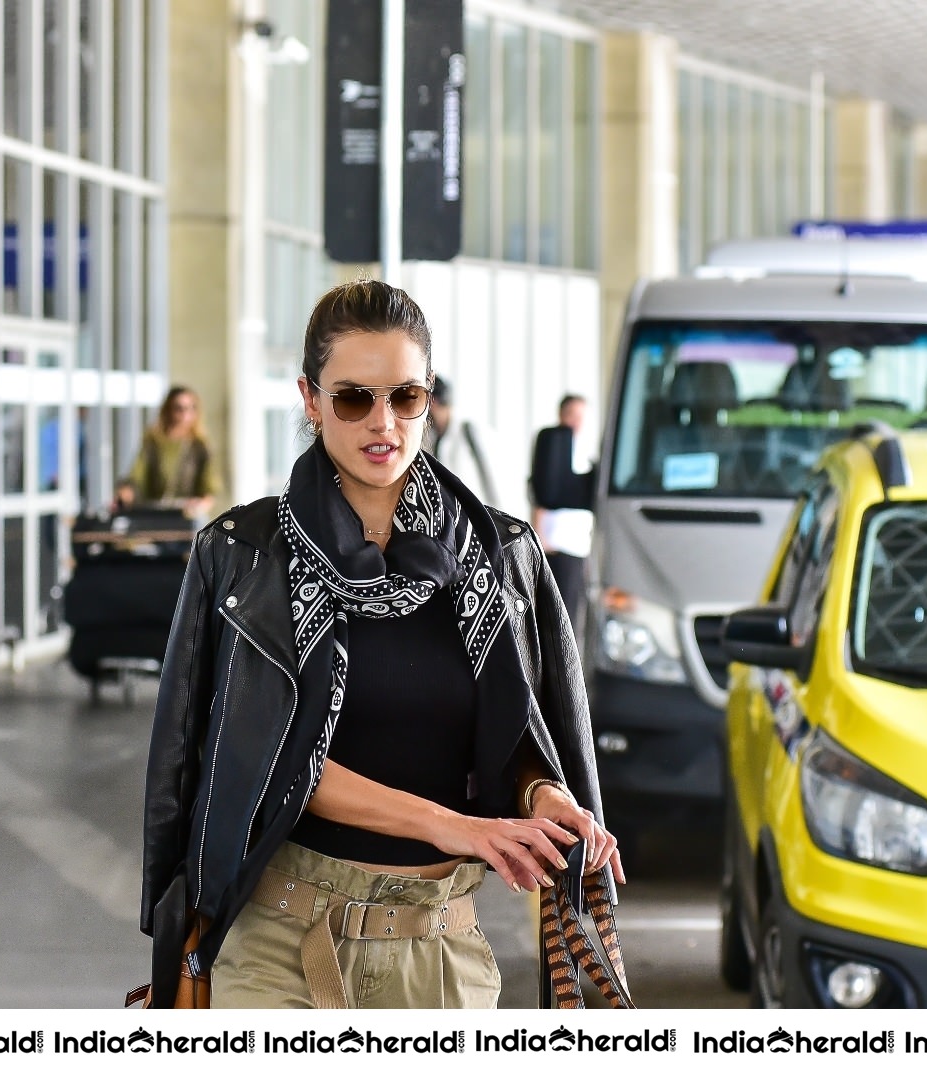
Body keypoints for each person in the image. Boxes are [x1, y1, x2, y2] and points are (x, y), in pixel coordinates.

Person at [141, 279, 623, 1010]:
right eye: (352, 397)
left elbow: (516, 729)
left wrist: (543, 791)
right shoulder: (243, 555)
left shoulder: (501, 557)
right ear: (309, 399)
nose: (383, 421)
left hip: (438, 948)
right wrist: (454, 825)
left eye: (405, 397)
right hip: (279, 938)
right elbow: (252, 758)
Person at [529, 394, 595, 631]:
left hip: (579, 547)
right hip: (555, 545)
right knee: (556, 617)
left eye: (580, 417)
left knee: (575, 615)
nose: (576, 422)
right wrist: (540, 541)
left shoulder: (585, 450)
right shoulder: (554, 447)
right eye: (572, 415)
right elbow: (540, 496)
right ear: (561, 415)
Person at [118, 386, 222, 523]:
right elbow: (138, 473)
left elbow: (209, 488)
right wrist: (126, 492)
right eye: (179, 408)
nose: (185, 415)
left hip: (187, 517)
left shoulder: (200, 446)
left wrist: (199, 505)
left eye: (191, 408)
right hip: (157, 515)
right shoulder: (153, 441)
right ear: (168, 410)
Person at [425, 374, 517, 514]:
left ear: (433, 400)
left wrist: (501, 523)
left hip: (478, 521)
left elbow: (494, 482)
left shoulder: (471, 431)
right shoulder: (428, 436)